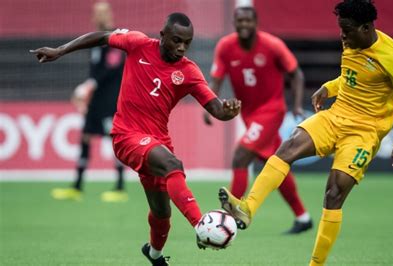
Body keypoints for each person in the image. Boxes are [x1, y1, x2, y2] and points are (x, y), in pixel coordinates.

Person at [218, 0, 393, 265]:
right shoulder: (352, 41)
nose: (342, 36)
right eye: (341, 29)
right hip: (335, 116)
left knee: (334, 193)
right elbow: (353, 77)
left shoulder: (392, 57)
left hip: (365, 131)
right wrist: (329, 87)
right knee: (288, 148)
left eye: (347, 30)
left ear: (366, 27)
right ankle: (247, 209)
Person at [31, 12, 241, 266]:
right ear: (162, 36)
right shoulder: (138, 43)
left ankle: (153, 253)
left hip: (157, 142)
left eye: (187, 42)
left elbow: (216, 108)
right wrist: (60, 50)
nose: (181, 47)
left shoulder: (188, 71)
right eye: (176, 40)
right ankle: (201, 225)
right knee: (173, 165)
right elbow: (102, 37)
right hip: (126, 136)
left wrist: (228, 112)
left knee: (162, 212)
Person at [204, 6, 313, 234]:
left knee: (240, 156)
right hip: (249, 114)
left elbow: (296, 74)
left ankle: (229, 217)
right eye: (239, 21)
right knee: (276, 164)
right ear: (235, 23)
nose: (244, 25)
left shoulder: (272, 45)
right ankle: (303, 217)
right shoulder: (225, 47)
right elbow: (215, 79)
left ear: (256, 23)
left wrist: (296, 104)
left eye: (248, 21)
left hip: (272, 110)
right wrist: (208, 105)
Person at [51, 1, 127, 203]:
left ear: (109, 15)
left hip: (111, 99)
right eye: (96, 13)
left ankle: (120, 187)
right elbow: (95, 71)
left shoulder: (114, 38)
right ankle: (77, 186)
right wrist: (88, 88)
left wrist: (88, 85)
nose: (99, 16)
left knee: (115, 140)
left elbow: (111, 67)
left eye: (102, 13)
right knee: (85, 137)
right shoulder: (94, 40)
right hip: (96, 100)